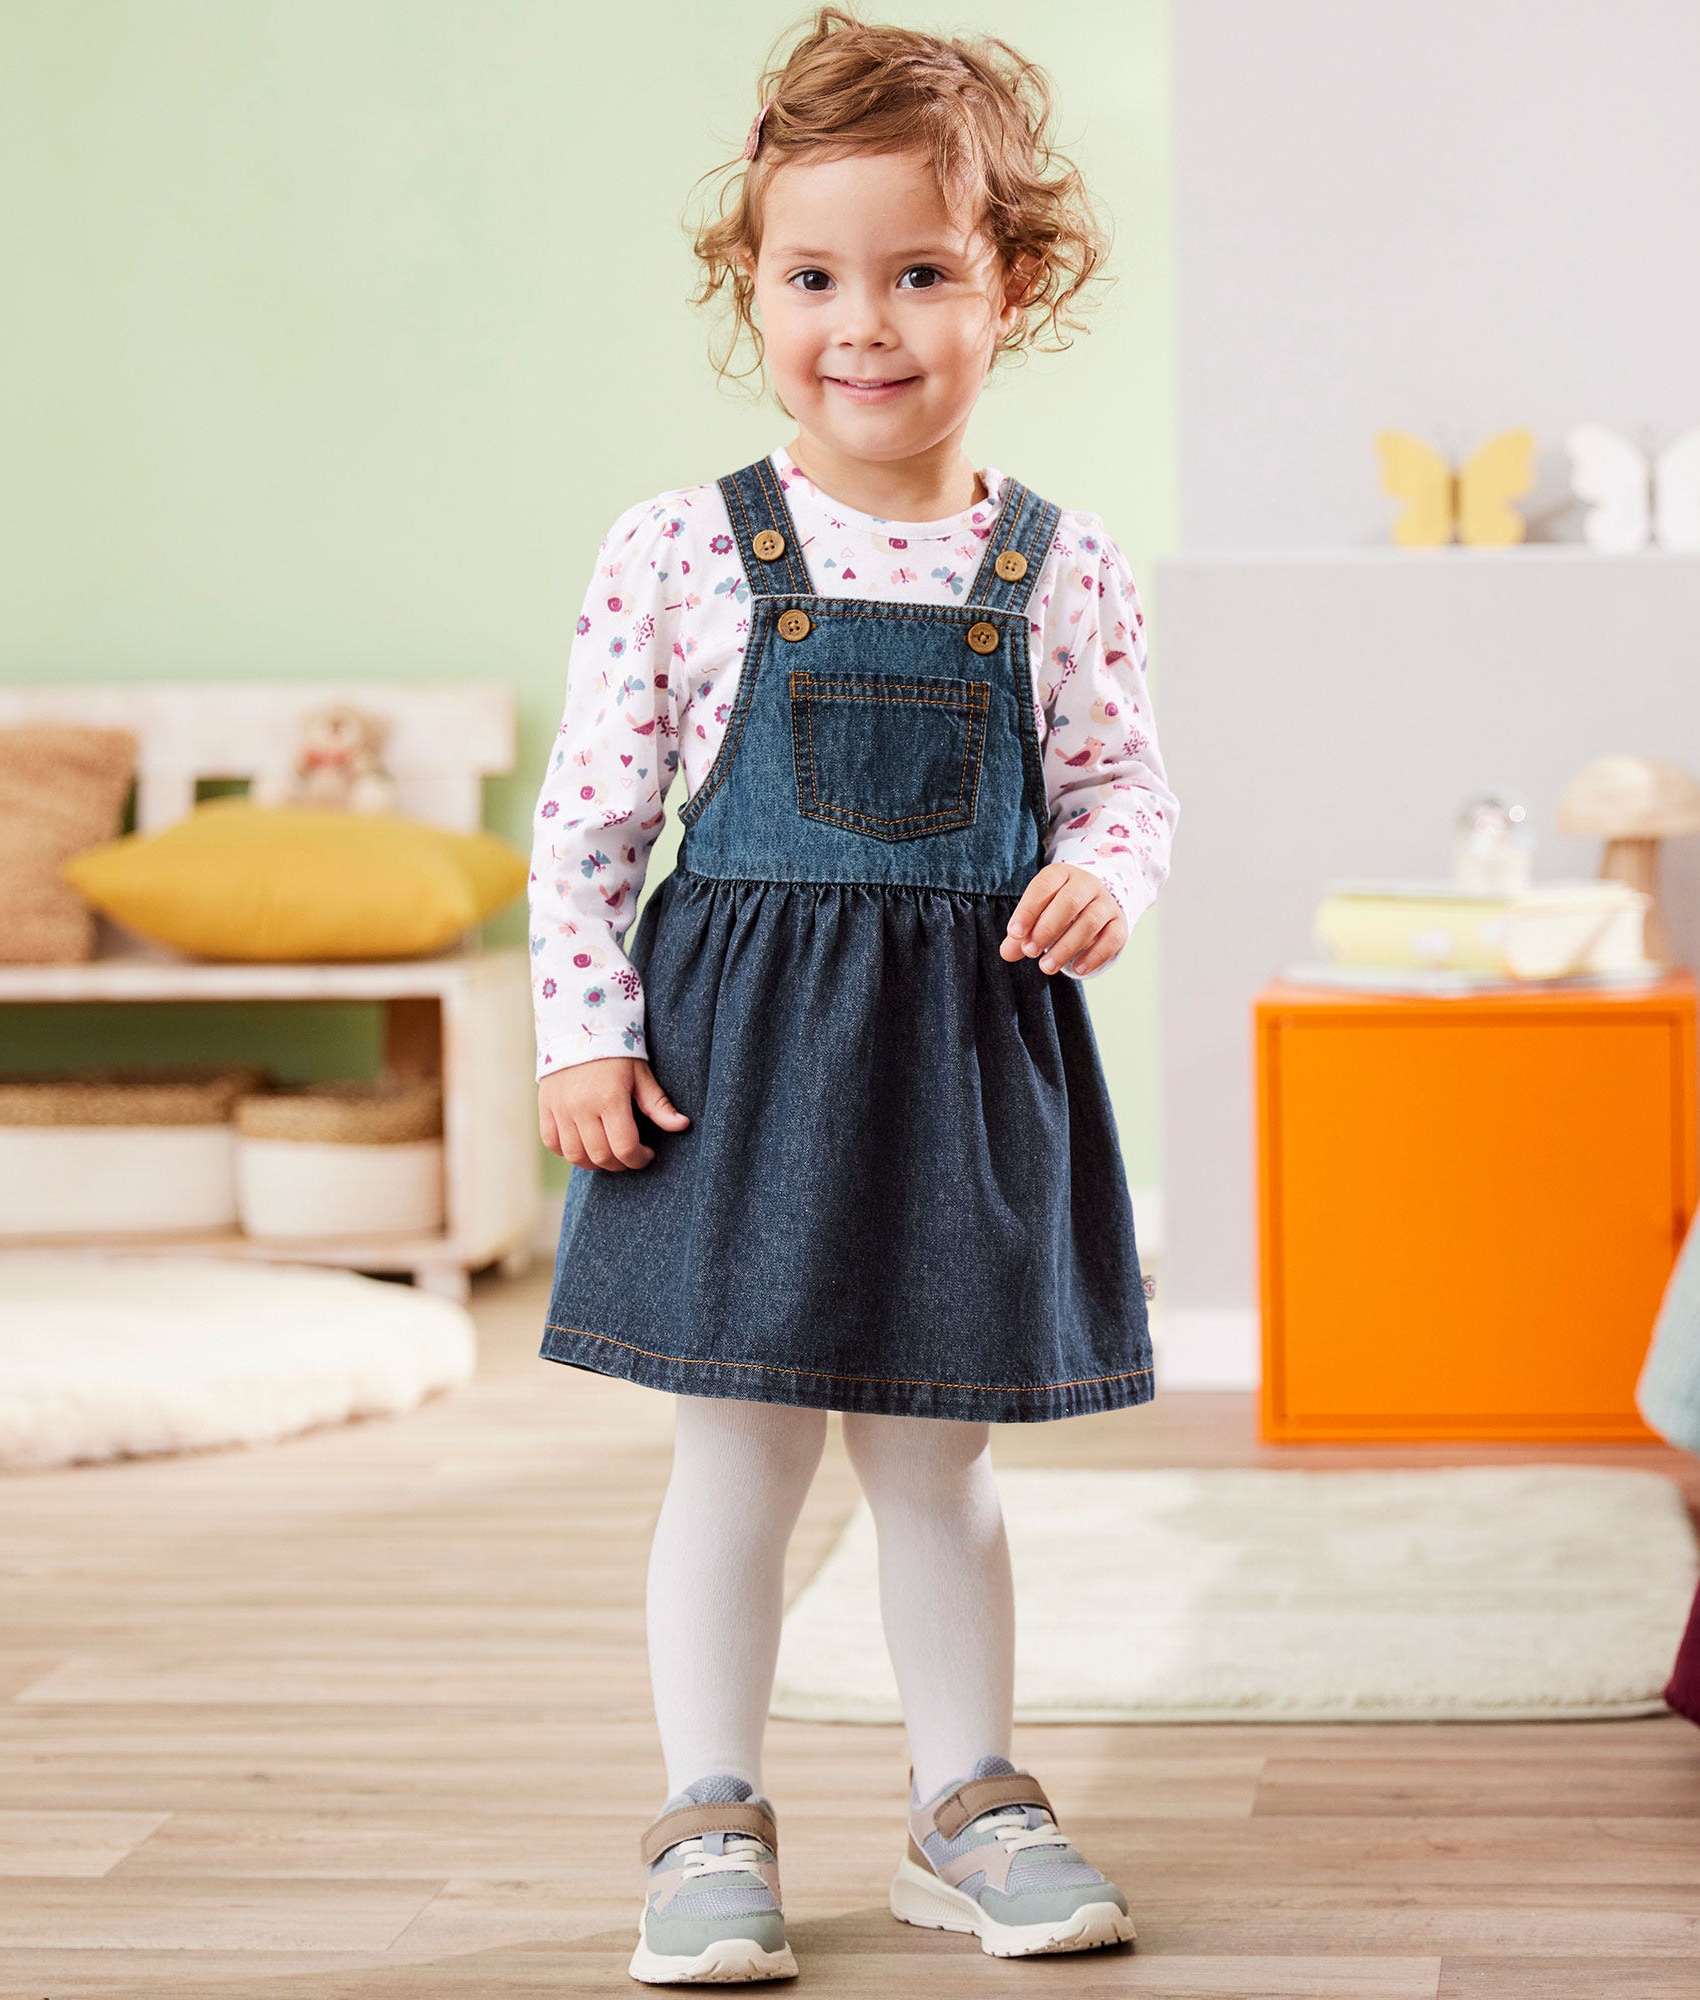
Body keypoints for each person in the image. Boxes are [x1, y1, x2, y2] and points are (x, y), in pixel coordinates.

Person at [526, 7, 1177, 1982]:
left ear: (1015, 287)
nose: (864, 324)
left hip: (963, 1069)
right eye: (813, 277)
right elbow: (591, 819)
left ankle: (965, 1798)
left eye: (920, 273)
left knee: (937, 1454)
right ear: (752, 288)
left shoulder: (1064, 572)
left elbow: (1125, 783)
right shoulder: (676, 551)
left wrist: (1106, 874)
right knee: (732, 1450)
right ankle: (706, 1811)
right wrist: (583, 1026)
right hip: (725, 1068)